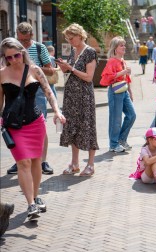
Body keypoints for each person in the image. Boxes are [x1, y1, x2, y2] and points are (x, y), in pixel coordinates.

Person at [0, 37, 65, 219]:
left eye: (16, 55)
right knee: (23, 162)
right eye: (9, 58)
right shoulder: (2, 74)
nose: (13, 60)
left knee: (36, 161)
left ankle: (35, 198)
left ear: (23, 52)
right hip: (13, 125)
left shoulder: (35, 70)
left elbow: (48, 92)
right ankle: (30, 204)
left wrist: (57, 112)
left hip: (35, 122)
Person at [7, 22, 55, 175]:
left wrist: (34, 69)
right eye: (21, 40)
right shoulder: (12, 49)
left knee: (39, 126)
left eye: (27, 40)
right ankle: (20, 160)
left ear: (32, 36)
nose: (24, 44)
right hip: (16, 93)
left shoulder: (40, 48)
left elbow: (51, 71)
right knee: (17, 127)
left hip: (37, 92)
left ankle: (42, 162)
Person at [56, 23, 99, 176]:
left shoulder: (90, 52)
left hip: (84, 96)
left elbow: (88, 77)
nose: (70, 41)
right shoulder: (73, 51)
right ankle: (74, 163)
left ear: (80, 36)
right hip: (70, 96)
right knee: (72, 127)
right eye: (68, 39)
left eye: (71, 38)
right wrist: (63, 67)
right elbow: (68, 74)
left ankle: (90, 164)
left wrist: (71, 68)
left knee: (87, 127)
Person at [100, 36, 136, 153]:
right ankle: (113, 144)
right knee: (116, 119)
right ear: (115, 48)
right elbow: (107, 77)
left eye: (124, 45)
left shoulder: (122, 61)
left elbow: (127, 78)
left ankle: (121, 139)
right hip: (115, 91)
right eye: (121, 45)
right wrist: (123, 72)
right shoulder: (112, 61)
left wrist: (130, 92)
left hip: (124, 91)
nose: (124, 47)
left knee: (132, 115)